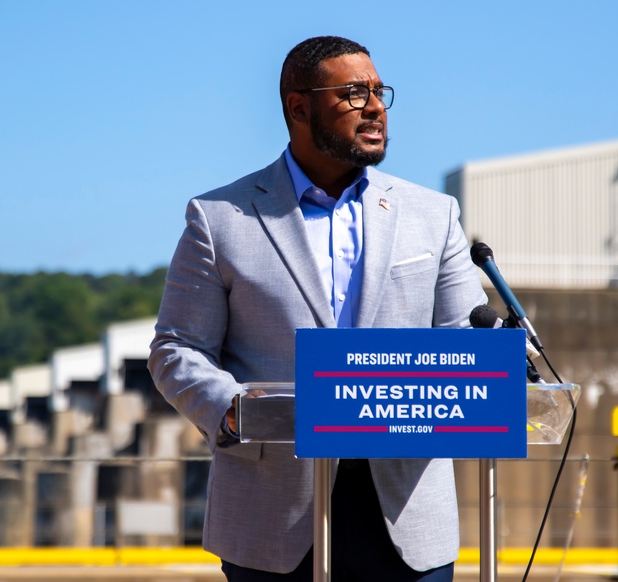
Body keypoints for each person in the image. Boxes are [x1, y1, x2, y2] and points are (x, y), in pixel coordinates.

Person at [148, 36, 487, 581]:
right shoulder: (220, 218)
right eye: (354, 94)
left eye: (379, 92)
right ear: (299, 107)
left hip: (406, 510)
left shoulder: (434, 214)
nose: (375, 107)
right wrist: (234, 411)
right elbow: (176, 349)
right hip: (272, 513)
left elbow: (467, 340)